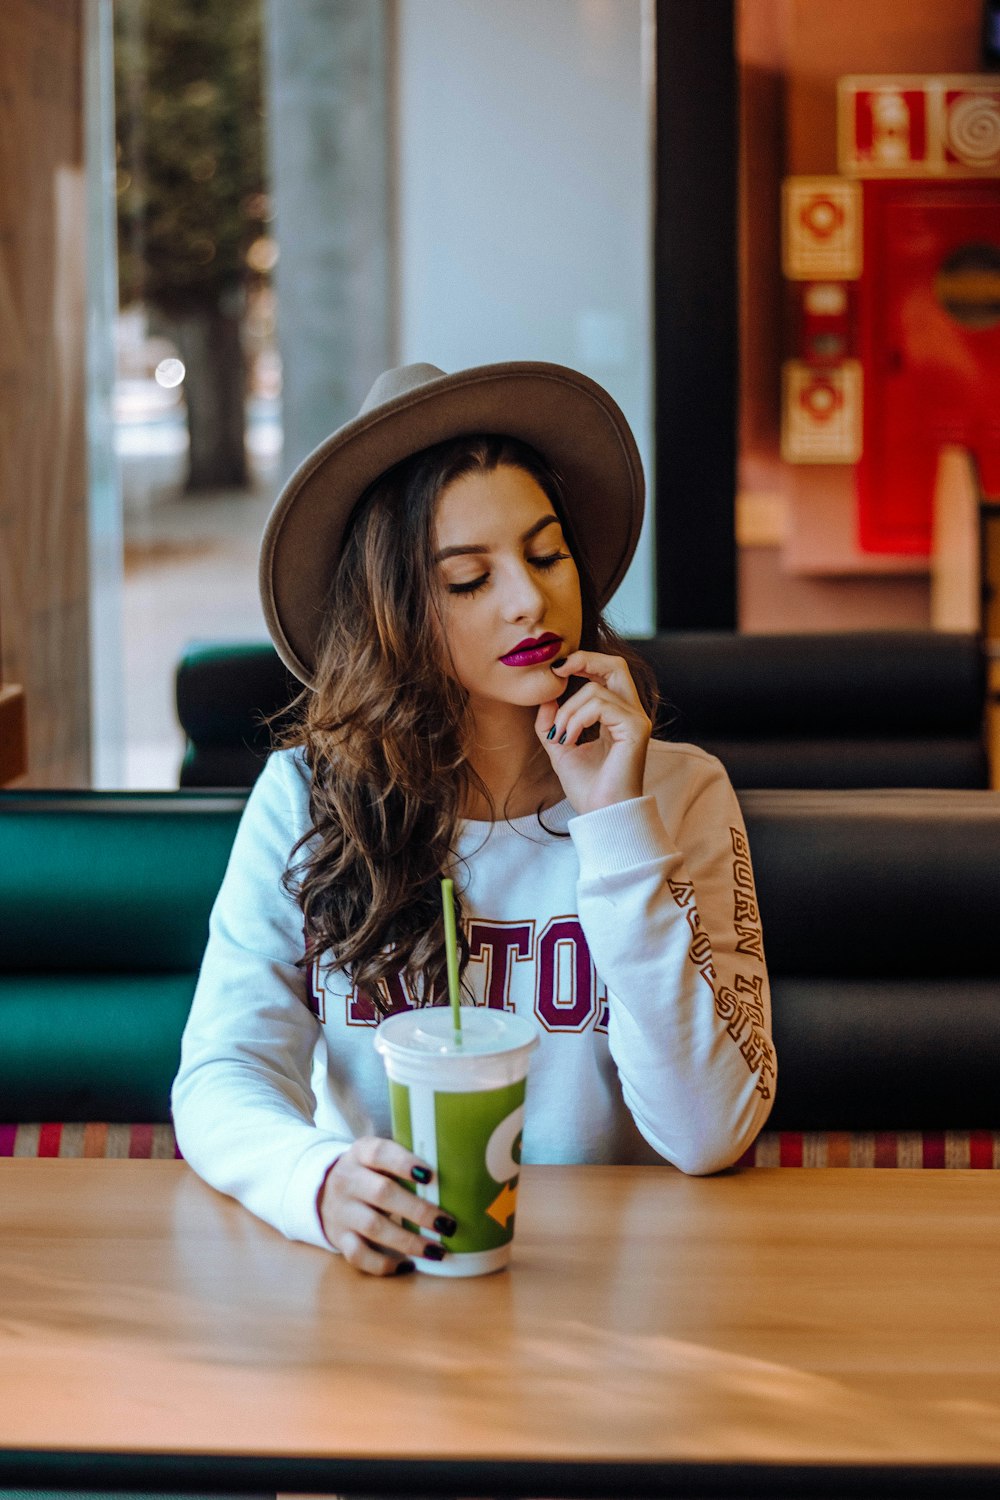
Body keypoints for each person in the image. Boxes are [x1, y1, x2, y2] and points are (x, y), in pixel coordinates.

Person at [172, 360, 775, 1275]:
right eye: (468, 578)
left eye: (545, 554)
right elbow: (224, 1070)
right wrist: (317, 1181)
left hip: (614, 1292)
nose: (530, 600)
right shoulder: (307, 796)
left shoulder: (680, 792)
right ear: (397, 612)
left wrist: (613, 822)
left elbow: (708, 1132)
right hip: (394, 1282)